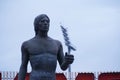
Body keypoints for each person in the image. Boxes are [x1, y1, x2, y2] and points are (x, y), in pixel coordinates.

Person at [18, 14, 74, 80]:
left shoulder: (57, 44)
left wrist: (67, 61)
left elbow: (63, 67)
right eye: (42, 21)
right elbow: (23, 66)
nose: (45, 23)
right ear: (36, 24)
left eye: (47, 22)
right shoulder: (27, 44)